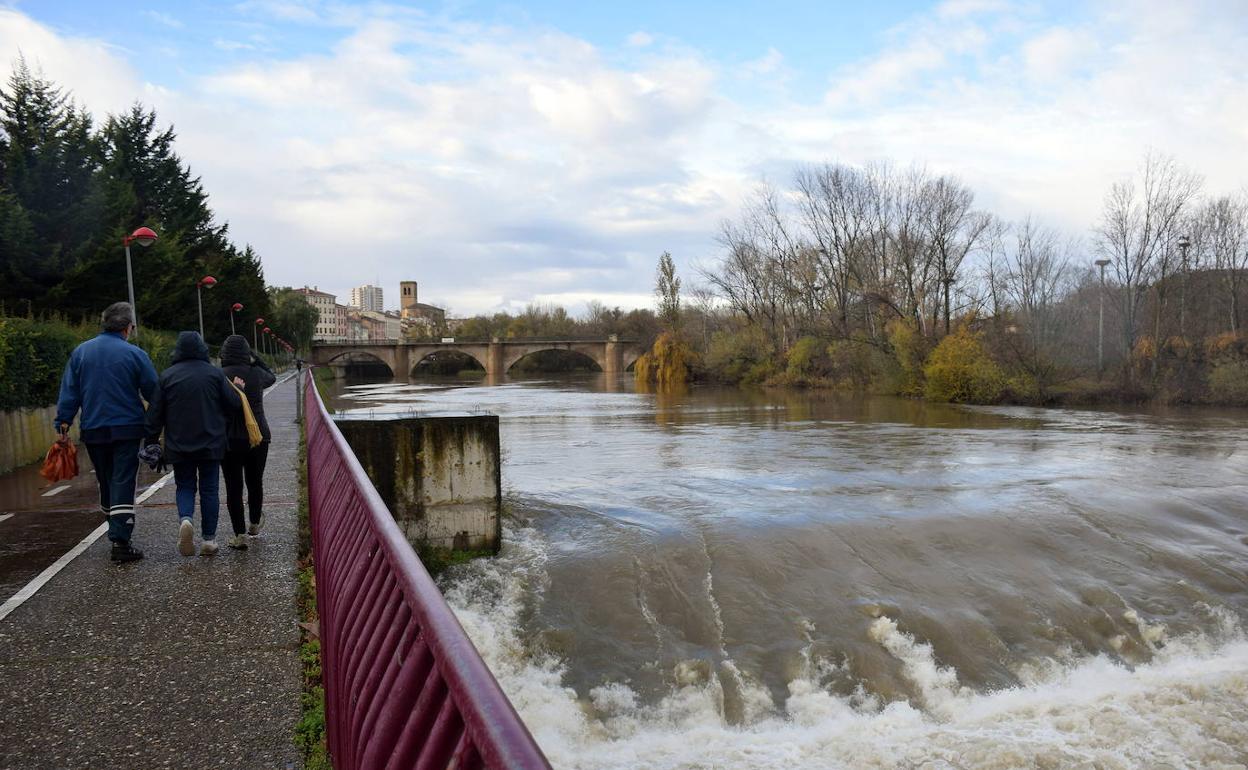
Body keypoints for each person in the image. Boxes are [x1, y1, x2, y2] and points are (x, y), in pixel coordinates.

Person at [55, 302, 158, 563]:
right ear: (128, 328)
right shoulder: (135, 354)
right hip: (127, 427)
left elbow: (70, 391)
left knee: (105, 479)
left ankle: (113, 523)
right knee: (123, 479)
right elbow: (153, 392)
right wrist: (157, 422)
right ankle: (120, 540)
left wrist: (63, 423)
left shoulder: (81, 352)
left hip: (94, 428)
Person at [144, 331, 240, 556]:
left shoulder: (167, 376)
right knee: (209, 490)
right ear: (202, 349)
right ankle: (209, 540)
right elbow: (233, 404)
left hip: (178, 444)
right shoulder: (215, 375)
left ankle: (186, 520)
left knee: (185, 486)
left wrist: (151, 441)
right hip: (211, 443)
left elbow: (155, 413)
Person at [219, 335, 275, 549]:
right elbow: (272, 376)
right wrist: (256, 358)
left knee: (233, 486)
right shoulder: (257, 374)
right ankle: (254, 523)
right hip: (259, 436)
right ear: (246, 352)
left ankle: (239, 534)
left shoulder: (219, 375)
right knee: (255, 481)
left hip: (230, 438)